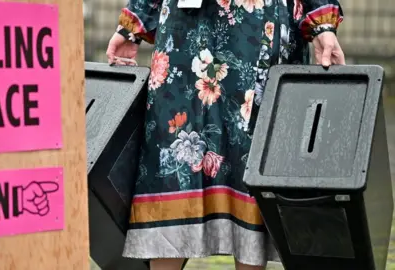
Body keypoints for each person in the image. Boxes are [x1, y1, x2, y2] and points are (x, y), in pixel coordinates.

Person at [106, 0, 345, 269]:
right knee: (172, 167)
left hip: (257, 30)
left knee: (251, 169)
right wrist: (133, 24)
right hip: (186, 32)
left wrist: (323, 24)